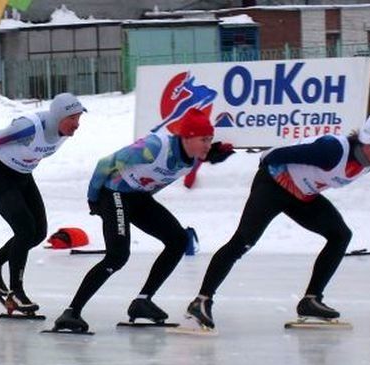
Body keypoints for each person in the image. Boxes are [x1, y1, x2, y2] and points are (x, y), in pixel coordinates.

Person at [186, 114, 370, 330]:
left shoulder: (366, 164)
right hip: (273, 186)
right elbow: (275, 154)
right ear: (367, 143)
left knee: (340, 235)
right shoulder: (333, 150)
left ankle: (311, 301)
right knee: (243, 241)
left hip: (303, 196)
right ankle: (201, 300)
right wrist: (267, 170)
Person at [52, 108, 234, 332]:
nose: (208, 144)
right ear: (187, 137)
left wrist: (209, 155)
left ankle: (143, 301)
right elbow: (105, 163)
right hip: (114, 192)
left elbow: (187, 160)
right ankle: (71, 312)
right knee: (117, 256)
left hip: (138, 197)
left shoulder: (191, 156)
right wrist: (93, 199)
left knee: (178, 239)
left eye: (210, 139)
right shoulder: (155, 147)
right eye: (204, 139)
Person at [0, 93, 86, 314]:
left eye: (79, 118)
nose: (77, 124)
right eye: (73, 118)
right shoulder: (28, 128)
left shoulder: (63, 132)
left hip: (22, 176)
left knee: (38, 232)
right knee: (24, 230)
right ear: (60, 116)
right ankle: (16, 293)